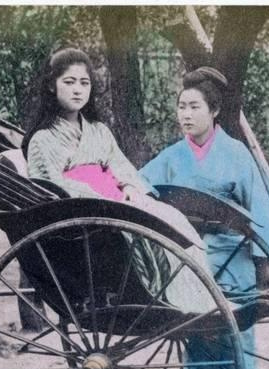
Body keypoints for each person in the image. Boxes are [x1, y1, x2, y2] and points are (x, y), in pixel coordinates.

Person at [140, 67, 269, 369]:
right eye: (181, 106)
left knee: (237, 335)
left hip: (232, 255)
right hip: (190, 258)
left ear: (214, 111)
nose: (186, 114)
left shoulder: (237, 155)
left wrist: (264, 260)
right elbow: (139, 187)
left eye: (194, 106)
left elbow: (262, 209)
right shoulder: (171, 157)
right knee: (195, 333)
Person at [22, 47, 210, 311]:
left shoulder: (98, 131)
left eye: (84, 83)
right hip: (88, 214)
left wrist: (131, 187)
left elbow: (120, 166)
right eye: (69, 82)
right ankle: (160, 295)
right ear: (52, 86)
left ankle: (195, 298)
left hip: (120, 200)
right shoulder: (42, 140)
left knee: (171, 218)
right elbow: (52, 188)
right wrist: (98, 199)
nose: (78, 90)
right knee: (134, 230)